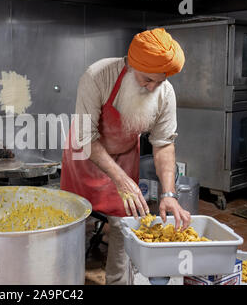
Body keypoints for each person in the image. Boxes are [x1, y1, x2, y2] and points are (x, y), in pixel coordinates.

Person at [60, 28, 191, 285]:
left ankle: (117, 280)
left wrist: (168, 194)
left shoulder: (164, 93)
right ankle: (67, 279)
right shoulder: (97, 76)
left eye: (159, 81)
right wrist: (121, 180)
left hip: (124, 158)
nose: (152, 87)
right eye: (147, 80)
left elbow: (163, 144)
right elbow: (86, 138)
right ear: (131, 66)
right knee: (76, 223)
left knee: (123, 225)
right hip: (84, 157)